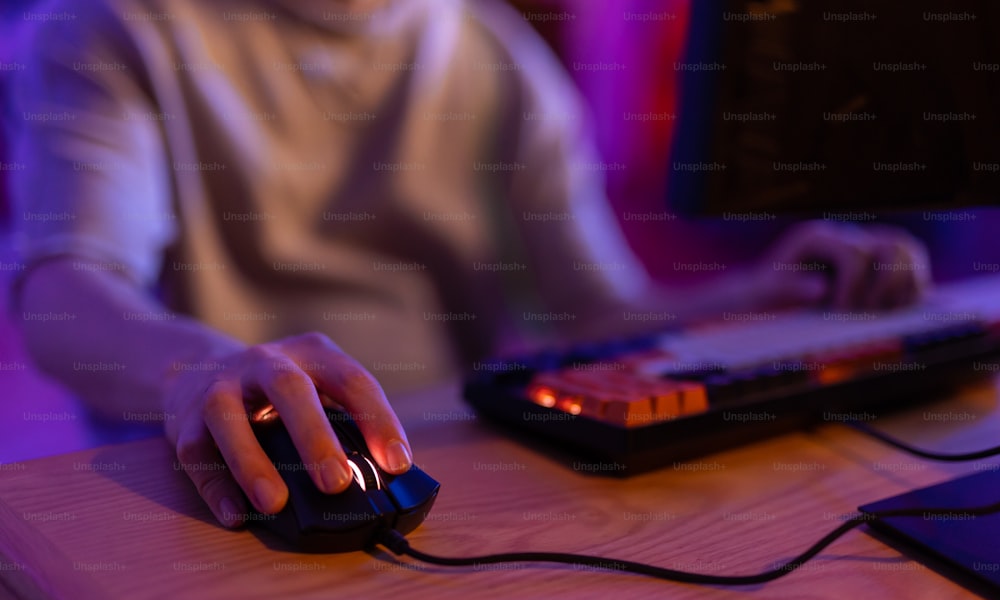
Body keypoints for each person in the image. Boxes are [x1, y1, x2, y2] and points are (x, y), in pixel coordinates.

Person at [7, 0, 930, 528]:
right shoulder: (106, 30)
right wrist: (190, 368)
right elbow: (63, 283)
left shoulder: (492, 48)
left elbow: (590, 312)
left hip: (449, 478)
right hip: (221, 496)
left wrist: (763, 293)